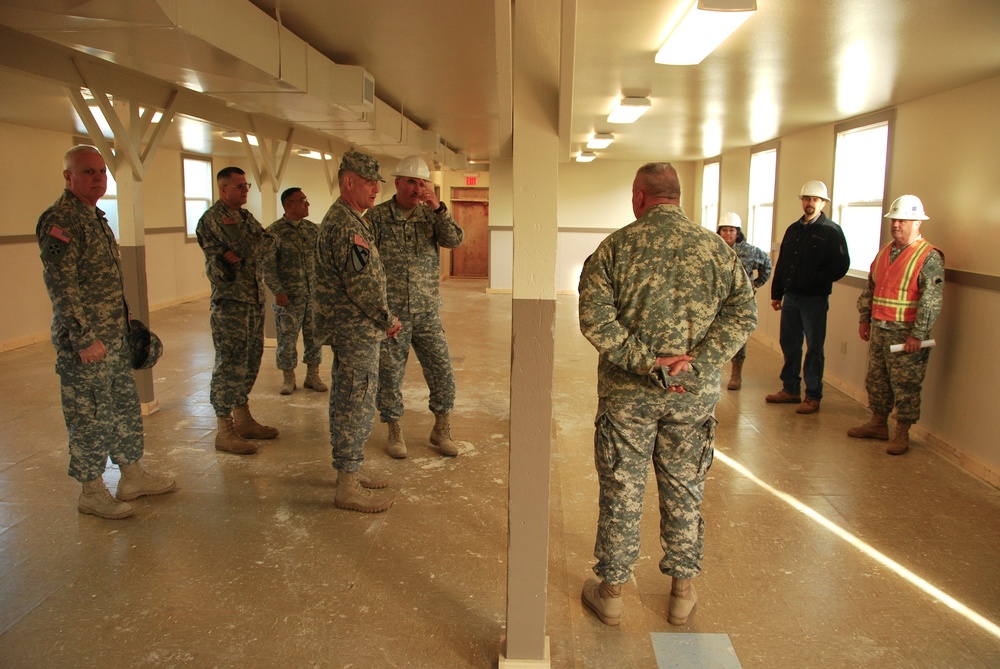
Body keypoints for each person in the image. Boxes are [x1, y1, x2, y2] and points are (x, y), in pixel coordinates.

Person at [577, 162, 757, 627]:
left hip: (627, 398)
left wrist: (644, 361)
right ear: (677, 196)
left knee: (622, 486)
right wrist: (697, 360)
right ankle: (681, 592)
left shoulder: (615, 248)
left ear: (639, 196)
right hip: (690, 396)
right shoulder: (717, 250)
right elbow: (743, 312)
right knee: (685, 488)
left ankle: (612, 592)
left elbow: (595, 319)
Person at [36, 144, 175, 519]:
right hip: (86, 344)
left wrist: (126, 326)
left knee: (123, 407)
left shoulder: (95, 217)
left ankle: (131, 476)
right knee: (90, 415)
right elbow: (62, 285)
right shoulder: (61, 220)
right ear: (69, 177)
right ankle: (91, 491)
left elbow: (105, 282)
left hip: (112, 338)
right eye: (88, 172)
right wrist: (83, 339)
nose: (98, 178)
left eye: (101, 171)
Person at [315, 150, 400, 513]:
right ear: (348, 181)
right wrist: (387, 319)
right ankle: (347, 484)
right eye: (369, 182)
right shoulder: (347, 225)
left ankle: (350, 468)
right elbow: (362, 284)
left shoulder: (349, 218)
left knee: (350, 396)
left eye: (377, 183)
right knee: (356, 398)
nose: (375, 189)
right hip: (357, 327)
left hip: (353, 326)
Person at [368, 155, 464, 459]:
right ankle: (394, 429)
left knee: (441, 369)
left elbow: (455, 241)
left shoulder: (430, 215)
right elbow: (366, 264)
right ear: (397, 183)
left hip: (426, 311)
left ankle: (441, 428)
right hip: (392, 313)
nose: (417, 188)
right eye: (411, 181)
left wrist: (439, 208)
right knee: (390, 374)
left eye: (422, 182)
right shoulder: (377, 218)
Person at [847, 195, 944, 455]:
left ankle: (902, 432)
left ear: (917, 223)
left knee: (906, 384)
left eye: (902, 220)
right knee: (877, 380)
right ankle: (878, 424)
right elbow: (871, 287)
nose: (897, 225)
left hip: (906, 335)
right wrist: (864, 318)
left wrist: (918, 335)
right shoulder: (885, 252)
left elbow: (931, 302)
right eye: (894, 220)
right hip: (879, 329)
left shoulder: (929, 257)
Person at [196, 166, 278, 455]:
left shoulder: (243, 216)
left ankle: (243, 420)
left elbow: (269, 242)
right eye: (239, 186)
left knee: (250, 360)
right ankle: (224, 429)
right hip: (231, 302)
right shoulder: (217, 218)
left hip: (252, 299)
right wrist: (250, 246)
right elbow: (250, 244)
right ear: (223, 189)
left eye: (247, 186)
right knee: (230, 363)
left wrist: (248, 249)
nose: (245, 191)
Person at [766, 180, 850, 414]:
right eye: (806, 199)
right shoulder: (793, 229)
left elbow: (842, 265)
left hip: (814, 299)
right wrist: (777, 293)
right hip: (791, 298)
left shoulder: (830, 231)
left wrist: (818, 280)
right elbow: (782, 263)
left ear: (823, 203)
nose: (809, 203)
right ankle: (790, 389)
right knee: (789, 343)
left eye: (814, 199)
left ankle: (813, 395)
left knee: (814, 347)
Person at [263, 187, 327, 395]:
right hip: (289, 298)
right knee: (287, 339)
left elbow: (322, 260)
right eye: (302, 200)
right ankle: (288, 378)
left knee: (315, 337)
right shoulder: (274, 232)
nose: (307, 204)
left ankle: (312, 375)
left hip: (314, 296)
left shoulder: (312, 229)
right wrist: (278, 292)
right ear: (289, 204)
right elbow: (268, 267)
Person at [717, 212, 772, 390]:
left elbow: (767, 264)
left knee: (738, 337)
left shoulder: (749, 251)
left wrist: (756, 284)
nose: (727, 234)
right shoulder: (714, 249)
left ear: (738, 232)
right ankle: (713, 372)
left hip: (740, 303)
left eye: (731, 230)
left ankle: (736, 373)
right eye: (724, 230)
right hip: (717, 300)